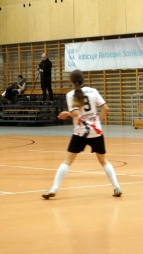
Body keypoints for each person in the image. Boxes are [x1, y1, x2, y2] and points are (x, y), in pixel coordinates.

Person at [42, 70, 122, 199]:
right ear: (83, 80)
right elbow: (106, 109)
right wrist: (98, 121)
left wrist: (66, 113)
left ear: (71, 81)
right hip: (96, 131)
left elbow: (75, 114)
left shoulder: (70, 94)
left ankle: (54, 188)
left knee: (67, 161)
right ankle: (116, 187)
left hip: (80, 132)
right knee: (104, 161)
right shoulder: (93, 91)